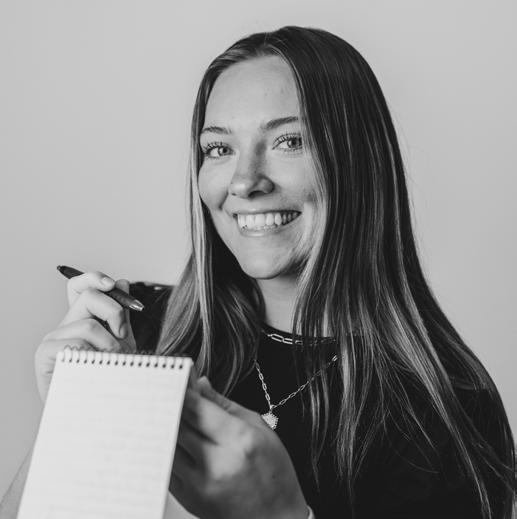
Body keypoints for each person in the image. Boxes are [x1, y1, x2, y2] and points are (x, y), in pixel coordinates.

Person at [1, 25, 515, 519]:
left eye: (289, 141)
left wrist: (283, 515)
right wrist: (66, 415)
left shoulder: (452, 410)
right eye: (219, 149)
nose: (245, 182)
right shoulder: (139, 335)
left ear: (359, 160)